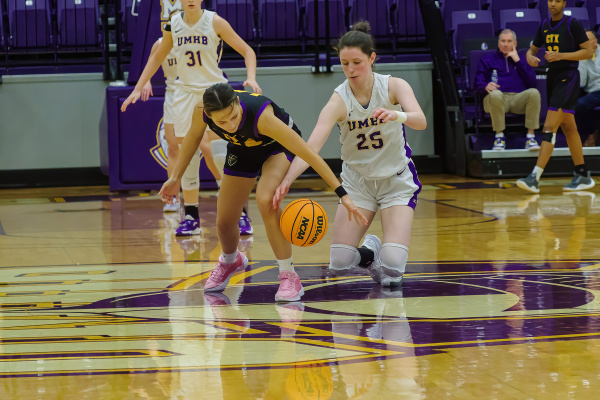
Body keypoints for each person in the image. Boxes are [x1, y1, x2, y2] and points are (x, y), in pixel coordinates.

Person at [159, 83, 368, 302]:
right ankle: (231, 261)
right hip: (243, 147)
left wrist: (342, 194)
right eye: (222, 122)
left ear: (238, 103)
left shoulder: (263, 117)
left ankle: (289, 276)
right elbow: (192, 139)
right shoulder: (201, 109)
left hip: (275, 147)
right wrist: (175, 178)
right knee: (225, 220)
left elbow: (309, 154)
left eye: (234, 116)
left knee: (266, 199)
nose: (230, 125)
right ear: (209, 115)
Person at [273, 22, 427, 287]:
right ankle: (369, 253)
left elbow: (420, 120)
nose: (351, 69)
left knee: (393, 267)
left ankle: (384, 257)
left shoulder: (393, 86)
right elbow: (311, 147)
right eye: (344, 63)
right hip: (358, 184)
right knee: (340, 262)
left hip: (396, 181)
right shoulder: (339, 100)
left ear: (372, 58)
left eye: (357, 62)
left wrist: (396, 114)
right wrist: (287, 180)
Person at [121, 0, 262, 237]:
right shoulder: (173, 25)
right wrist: (139, 85)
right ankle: (191, 217)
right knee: (188, 158)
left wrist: (251, 77)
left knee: (220, 156)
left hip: (214, 91)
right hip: (184, 94)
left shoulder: (214, 21)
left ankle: (240, 213)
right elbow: (156, 58)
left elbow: (248, 50)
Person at [517, 0, 596, 193]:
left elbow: (587, 52)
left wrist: (561, 56)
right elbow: (532, 50)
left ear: (564, 3)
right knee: (569, 127)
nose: (553, 4)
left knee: (549, 126)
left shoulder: (572, 24)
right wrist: (529, 57)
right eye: (550, 0)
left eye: (558, 1)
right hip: (553, 79)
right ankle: (583, 174)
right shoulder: (544, 25)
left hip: (568, 77)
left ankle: (534, 177)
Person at [475, 29, 541, 151]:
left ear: (515, 43)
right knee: (496, 94)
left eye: (509, 41)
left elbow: (532, 83)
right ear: (498, 43)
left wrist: (518, 61)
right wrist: (484, 86)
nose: (505, 44)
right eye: (503, 41)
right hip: (495, 99)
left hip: (517, 99)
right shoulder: (487, 59)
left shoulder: (523, 58)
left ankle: (531, 137)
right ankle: (499, 137)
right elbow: (478, 82)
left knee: (534, 93)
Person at [141, 29, 181, 213]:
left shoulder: (195, 39)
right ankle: (173, 197)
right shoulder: (160, 43)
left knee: (205, 147)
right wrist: (146, 81)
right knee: (172, 148)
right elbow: (151, 62)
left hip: (195, 95)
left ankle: (222, 189)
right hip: (172, 96)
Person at [576, 30, 600, 147]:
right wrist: (584, 59)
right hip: (594, 93)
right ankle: (592, 133)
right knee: (580, 105)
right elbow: (581, 82)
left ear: (595, 41)